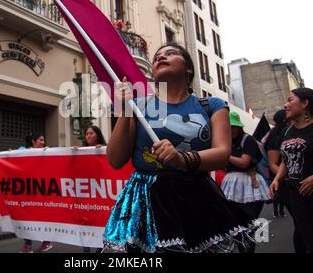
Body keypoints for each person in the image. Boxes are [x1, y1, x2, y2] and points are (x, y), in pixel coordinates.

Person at [103, 43, 259, 253]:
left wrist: (181, 159)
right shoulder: (137, 105)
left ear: (188, 68)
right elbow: (115, 160)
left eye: (170, 53)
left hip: (196, 195)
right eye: (157, 56)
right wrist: (124, 110)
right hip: (147, 200)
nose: (161, 57)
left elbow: (222, 154)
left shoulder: (212, 105)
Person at [220, 111, 271, 253]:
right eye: (228, 127)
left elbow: (244, 162)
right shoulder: (225, 141)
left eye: (233, 127)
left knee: (248, 222)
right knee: (235, 224)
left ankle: (248, 248)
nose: (231, 130)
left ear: (238, 127)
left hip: (249, 182)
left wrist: (224, 154)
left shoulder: (247, 140)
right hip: (231, 184)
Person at [270, 87, 313, 253]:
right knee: (303, 238)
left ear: (305, 103)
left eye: (290, 100)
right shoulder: (288, 131)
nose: (285, 105)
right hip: (295, 194)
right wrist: (277, 179)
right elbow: (286, 160)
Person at [20, 132, 53, 253]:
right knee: (26, 218)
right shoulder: (23, 151)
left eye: (43, 140)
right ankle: (27, 245)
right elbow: (11, 155)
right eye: (41, 140)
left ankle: (46, 241)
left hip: (42, 191)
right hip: (28, 191)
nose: (43, 143)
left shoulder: (47, 152)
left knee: (42, 217)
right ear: (33, 142)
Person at [75, 126, 106, 253]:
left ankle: (99, 247)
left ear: (97, 135)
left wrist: (102, 152)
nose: (88, 136)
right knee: (84, 220)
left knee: (99, 219)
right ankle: (86, 249)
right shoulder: (82, 150)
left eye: (91, 133)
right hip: (85, 192)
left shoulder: (105, 149)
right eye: (86, 134)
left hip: (100, 191)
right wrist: (75, 153)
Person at [265, 109, 288, 218]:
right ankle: (276, 211)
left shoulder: (290, 131)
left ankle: (281, 211)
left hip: (286, 177)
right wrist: (286, 176)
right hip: (281, 176)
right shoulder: (275, 136)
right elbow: (273, 163)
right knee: (278, 194)